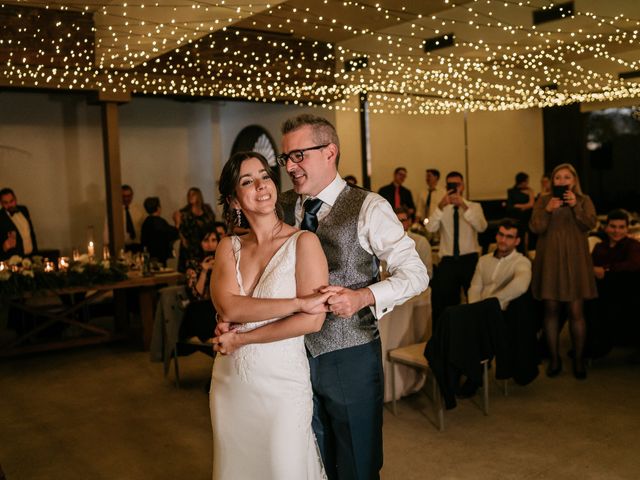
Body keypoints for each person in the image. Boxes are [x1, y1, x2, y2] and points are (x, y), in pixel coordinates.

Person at [215, 114, 429, 480]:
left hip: (349, 356)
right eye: (286, 159)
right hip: (289, 360)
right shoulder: (279, 205)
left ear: (330, 152)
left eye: (299, 155)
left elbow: (417, 273)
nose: (290, 167)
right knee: (309, 460)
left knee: (356, 463)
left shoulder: (369, 207)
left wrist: (363, 297)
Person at [209, 151, 331, 479]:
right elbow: (230, 306)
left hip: (282, 385)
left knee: (284, 467)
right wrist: (297, 302)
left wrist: (243, 337)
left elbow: (313, 319)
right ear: (234, 200)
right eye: (248, 181)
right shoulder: (228, 247)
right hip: (231, 384)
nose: (261, 186)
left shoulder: (304, 243)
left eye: (264, 176)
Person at [529, 163, 597, 380]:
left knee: (576, 312)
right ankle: (554, 358)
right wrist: (548, 211)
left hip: (576, 262)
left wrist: (576, 206)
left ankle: (578, 359)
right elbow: (535, 228)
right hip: (550, 261)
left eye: (566, 177)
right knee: (551, 311)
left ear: (574, 180)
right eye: (558, 177)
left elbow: (590, 225)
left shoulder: (584, 199)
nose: (562, 181)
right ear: (552, 181)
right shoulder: (542, 200)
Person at [426, 171, 488, 323]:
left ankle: (474, 330)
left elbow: (482, 227)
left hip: (469, 259)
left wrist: (464, 206)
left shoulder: (474, 206)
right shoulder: (440, 208)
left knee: (474, 299)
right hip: (448, 261)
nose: (454, 188)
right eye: (450, 185)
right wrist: (440, 207)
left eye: (457, 184)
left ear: (463, 186)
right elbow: (430, 228)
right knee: (446, 304)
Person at [588, 209, 640, 356]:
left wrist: (605, 269)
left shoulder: (632, 245)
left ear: (627, 228)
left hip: (626, 290)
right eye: (613, 226)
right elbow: (589, 266)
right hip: (601, 288)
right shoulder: (599, 247)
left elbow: (634, 264)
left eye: (621, 227)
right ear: (606, 227)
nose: (617, 231)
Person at [468, 219, 531, 310]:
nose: (503, 240)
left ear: (517, 241)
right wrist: (474, 309)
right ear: (496, 236)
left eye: (509, 237)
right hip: (479, 310)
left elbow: (521, 285)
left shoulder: (521, 261)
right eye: (501, 235)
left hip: (501, 312)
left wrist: (492, 303)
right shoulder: (483, 260)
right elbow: (475, 288)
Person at [173, 187, 216, 273]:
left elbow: (212, 225)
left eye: (193, 195)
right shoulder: (183, 213)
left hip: (205, 243)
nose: (190, 197)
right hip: (190, 245)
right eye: (189, 195)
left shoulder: (207, 209)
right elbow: (179, 230)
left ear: (198, 196)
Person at [103, 185, 146, 253]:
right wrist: (107, 245)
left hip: (137, 245)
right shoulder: (114, 210)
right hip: (121, 247)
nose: (126, 199)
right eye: (123, 196)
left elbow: (145, 226)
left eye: (128, 196)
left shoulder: (139, 209)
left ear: (132, 195)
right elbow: (107, 229)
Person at [0, 188, 38, 261]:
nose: (9, 205)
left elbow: (31, 233)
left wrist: (36, 255)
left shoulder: (24, 209)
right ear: (1, 203)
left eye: (11, 201)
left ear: (15, 199)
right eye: (5, 202)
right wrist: (4, 247)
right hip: (14, 261)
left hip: (31, 257)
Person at [140, 197, 179, 266]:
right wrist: (177, 222)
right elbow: (173, 234)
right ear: (158, 208)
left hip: (148, 256)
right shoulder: (160, 222)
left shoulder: (146, 221)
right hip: (159, 258)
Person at [395, 206, 432, 278]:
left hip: (417, 286)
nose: (399, 224)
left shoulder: (421, 242)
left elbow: (428, 273)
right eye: (396, 221)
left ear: (409, 221)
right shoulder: (388, 243)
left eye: (402, 220)